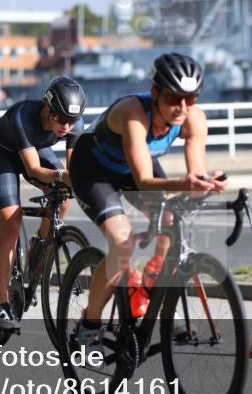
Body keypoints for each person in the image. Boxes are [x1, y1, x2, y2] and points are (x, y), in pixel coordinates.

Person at [70, 53, 227, 351]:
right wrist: (185, 184)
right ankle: (89, 323)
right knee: (122, 242)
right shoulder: (133, 113)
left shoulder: (194, 119)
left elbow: (195, 173)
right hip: (93, 170)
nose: (182, 108)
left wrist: (207, 182)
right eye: (173, 98)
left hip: (133, 167)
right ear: (155, 94)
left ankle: (148, 290)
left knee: (170, 221)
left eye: (190, 99)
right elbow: (144, 181)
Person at [0, 76, 86, 330]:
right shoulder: (23, 116)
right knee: (11, 221)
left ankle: (39, 248)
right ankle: (1, 304)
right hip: (4, 156)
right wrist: (64, 177)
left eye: (71, 120)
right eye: (60, 118)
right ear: (47, 109)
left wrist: (78, 182)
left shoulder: (73, 123)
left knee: (63, 201)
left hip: (36, 149)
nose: (66, 126)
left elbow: (73, 170)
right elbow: (34, 169)